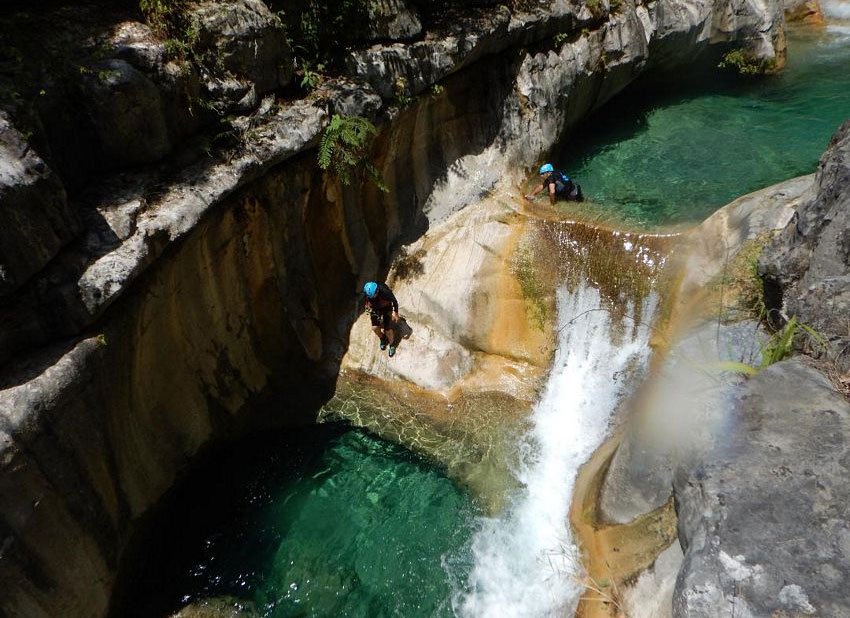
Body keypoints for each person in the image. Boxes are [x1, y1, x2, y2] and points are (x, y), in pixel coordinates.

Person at [363, 281, 400, 357]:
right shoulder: (367, 293)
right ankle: (382, 338)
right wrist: (367, 307)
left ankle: (392, 344)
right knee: (375, 328)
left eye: (374, 295)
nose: (373, 297)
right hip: (375, 308)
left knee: (388, 329)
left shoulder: (385, 291)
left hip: (386, 307)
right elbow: (366, 301)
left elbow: (394, 301)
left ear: (377, 290)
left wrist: (395, 312)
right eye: (371, 297)